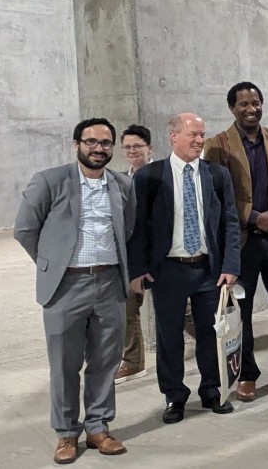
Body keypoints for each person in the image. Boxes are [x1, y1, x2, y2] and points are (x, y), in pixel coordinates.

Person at [14, 118, 136, 464]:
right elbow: (25, 229)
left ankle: (99, 426)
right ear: (76, 144)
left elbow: (127, 229)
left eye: (106, 143)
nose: (99, 148)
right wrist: (52, 263)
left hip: (110, 283)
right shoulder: (50, 181)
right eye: (91, 141)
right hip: (66, 286)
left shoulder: (123, 184)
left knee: (105, 360)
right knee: (64, 363)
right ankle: (67, 433)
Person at [127, 113, 241, 424]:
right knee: (169, 338)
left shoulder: (216, 175)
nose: (199, 140)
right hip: (168, 270)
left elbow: (230, 222)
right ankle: (174, 396)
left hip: (208, 269)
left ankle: (211, 391)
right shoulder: (149, 176)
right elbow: (137, 228)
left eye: (202, 134)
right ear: (173, 137)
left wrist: (231, 265)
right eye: (193, 134)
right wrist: (138, 269)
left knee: (210, 334)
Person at [203, 82, 268, 402]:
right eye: (243, 104)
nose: (251, 109)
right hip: (242, 242)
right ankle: (247, 375)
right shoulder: (218, 146)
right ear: (232, 108)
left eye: (256, 102)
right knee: (244, 312)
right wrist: (252, 216)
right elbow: (216, 196)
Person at [116, 124, 154, 384]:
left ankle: (219, 345)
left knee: (185, 313)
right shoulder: (119, 180)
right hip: (131, 256)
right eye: (127, 147)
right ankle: (133, 361)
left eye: (137, 146)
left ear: (149, 148)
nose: (132, 151)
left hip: (161, 256)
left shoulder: (162, 175)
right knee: (128, 308)